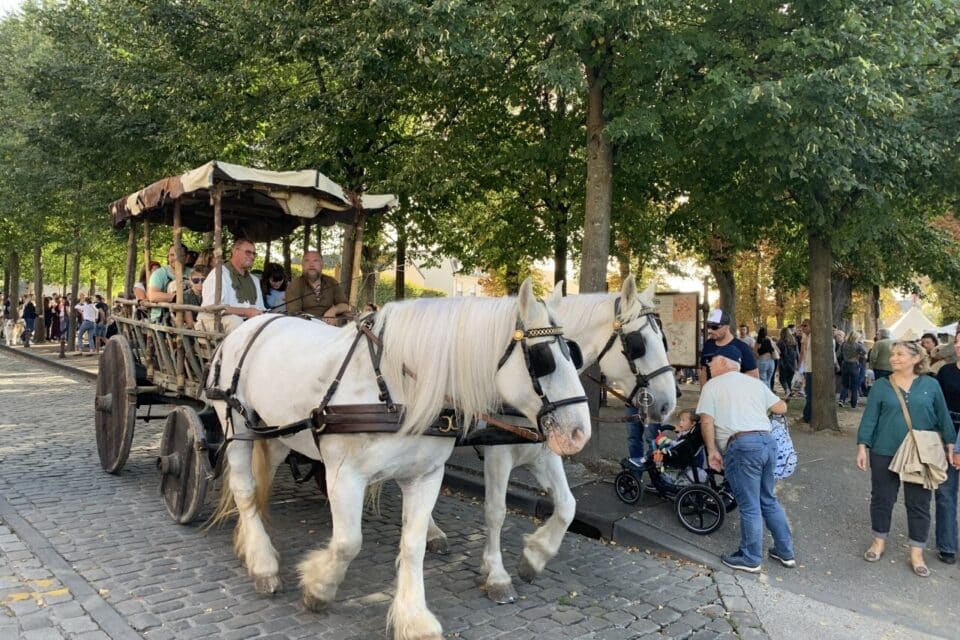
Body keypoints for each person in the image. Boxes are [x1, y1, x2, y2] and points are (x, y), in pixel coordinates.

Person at [856, 340, 957, 578]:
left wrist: (950, 445)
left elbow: (943, 417)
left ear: (915, 358)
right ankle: (878, 542)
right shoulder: (882, 385)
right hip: (885, 448)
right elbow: (870, 418)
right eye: (893, 354)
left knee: (919, 502)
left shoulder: (930, 385)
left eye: (900, 354)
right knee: (882, 497)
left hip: (920, 452)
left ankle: (916, 553)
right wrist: (862, 446)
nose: (894, 358)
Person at [697, 344, 794, 572]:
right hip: (767, 443)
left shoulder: (712, 386)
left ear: (723, 362)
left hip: (742, 446)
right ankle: (785, 552)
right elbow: (782, 407)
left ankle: (751, 557)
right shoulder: (755, 383)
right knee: (767, 499)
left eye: (712, 361)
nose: (709, 365)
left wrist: (712, 451)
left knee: (750, 505)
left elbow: (706, 421)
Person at [199, 238, 265, 333]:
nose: (252, 257)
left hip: (247, 322)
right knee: (235, 321)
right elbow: (212, 307)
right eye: (248, 252)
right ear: (235, 251)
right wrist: (246, 312)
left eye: (254, 254)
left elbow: (260, 308)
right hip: (213, 321)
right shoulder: (219, 274)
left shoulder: (254, 280)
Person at [934, 333, 960, 565]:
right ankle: (947, 544)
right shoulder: (946, 372)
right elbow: (938, 406)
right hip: (947, 433)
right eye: (958, 341)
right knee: (945, 492)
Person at [284, 251, 350, 323]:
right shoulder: (294, 285)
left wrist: (334, 310)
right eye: (307, 261)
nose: (311, 265)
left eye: (315, 261)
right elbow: (294, 315)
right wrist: (320, 322)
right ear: (302, 265)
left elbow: (345, 305)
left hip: (331, 328)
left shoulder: (331, 282)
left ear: (322, 264)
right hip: (305, 327)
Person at [699, 309, 758, 386]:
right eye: (708, 326)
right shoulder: (708, 345)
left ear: (727, 327)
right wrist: (704, 393)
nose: (710, 330)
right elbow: (704, 370)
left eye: (714, 327)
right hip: (713, 395)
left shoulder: (742, 348)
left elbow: (754, 376)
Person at [147, 244, 190, 322]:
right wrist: (176, 297)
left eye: (179, 255)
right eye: (172, 255)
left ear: (187, 258)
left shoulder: (193, 273)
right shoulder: (159, 273)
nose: (175, 258)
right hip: (162, 318)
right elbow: (152, 296)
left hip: (190, 317)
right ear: (168, 257)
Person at [838, 330, 868, 408]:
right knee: (854, 385)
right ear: (856, 337)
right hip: (854, 365)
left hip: (845, 364)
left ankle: (841, 400)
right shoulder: (858, 345)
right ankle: (853, 403)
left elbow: (839, 354)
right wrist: (859, 355)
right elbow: (865, 354)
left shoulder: (843, 344)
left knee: (844, 384)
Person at [183, 264, 208, 329]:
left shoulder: (209, 294)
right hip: (195, 329)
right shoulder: (186, 296)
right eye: (196, 280)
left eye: (203, 280)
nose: (200, 283)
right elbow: (190, 322)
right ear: (190, 281)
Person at [777, 327, 799, 397]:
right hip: (792, 362)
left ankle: (787, 390)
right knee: (789, 379)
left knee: (782, 379)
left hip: (784, 362)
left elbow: (778, 353)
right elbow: (797, 353)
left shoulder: (780, 342)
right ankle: (789, 391)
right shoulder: (793, 341)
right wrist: (797, 362)